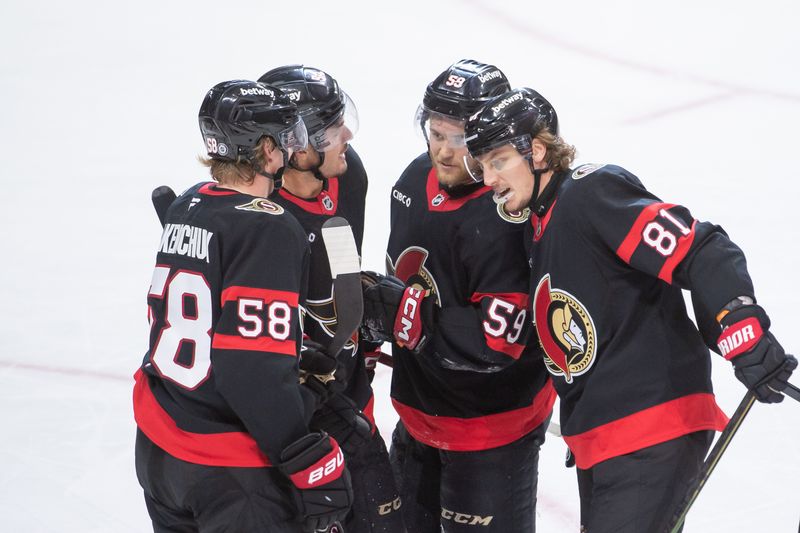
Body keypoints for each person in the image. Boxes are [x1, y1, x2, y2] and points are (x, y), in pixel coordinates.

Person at [463, 87, 798, 533]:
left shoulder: (588, 194)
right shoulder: (538, 224)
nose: (488, 180)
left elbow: (701, 250)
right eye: (482, 165)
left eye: (499, 161)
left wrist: (739, 327)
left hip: (650, 430)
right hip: (608, 438)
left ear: (537, 151)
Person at [133, 79, 353, 533]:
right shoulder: (271, 227)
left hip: (159, 447)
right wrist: (304, 454)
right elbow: (249, 372)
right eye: (284, 138)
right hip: (227, 476)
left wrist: (287, 355)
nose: (292, 147)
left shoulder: (188, 204)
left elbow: (217, 326)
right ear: (267, 150)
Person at [360, 60, 556, 533]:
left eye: (460, 139)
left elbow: (500, 339)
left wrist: (403, 315)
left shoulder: (507, 209)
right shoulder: (410, 181)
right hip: (416, 415)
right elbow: (406, 277)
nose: (444, 153)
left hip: (492, 430)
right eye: (435, 133)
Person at [258, 64, 405, 533]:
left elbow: (341, 260)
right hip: (296, 406)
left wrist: (357, 315)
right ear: (294, 145)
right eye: (329, 128)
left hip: (345, 379)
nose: (345, 135)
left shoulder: (347, 175)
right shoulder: (260, 214)